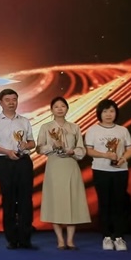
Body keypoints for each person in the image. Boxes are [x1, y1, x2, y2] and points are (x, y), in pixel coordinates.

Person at [0, 88, 37, 249]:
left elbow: (32, 142)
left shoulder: (24, 121)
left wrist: (26, 145)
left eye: (14, 99)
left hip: (23, 163)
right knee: (8, 200)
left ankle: (26, 238)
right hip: (5, 163)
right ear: (0, 102)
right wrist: (7, 151)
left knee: (25, 201)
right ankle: (12, 239)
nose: (11, 103)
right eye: (7, 100)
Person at [37, 97, 88, 250]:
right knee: (56, 202)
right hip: (54, 166)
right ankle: (60, 239)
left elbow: (82, 149)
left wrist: (72, 151)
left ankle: (70, 240)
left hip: (70, 165)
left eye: (63, 106)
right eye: (56, 106)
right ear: (51, 109)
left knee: (72, 201)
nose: (60, 109)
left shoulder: (74, 127)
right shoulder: (45, 127)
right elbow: (39, 148)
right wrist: (52, 146)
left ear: (67, 108)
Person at [84, 99, 131, 251]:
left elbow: (130, 150)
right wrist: (105, 155)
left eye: (111, 111)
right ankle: (106, 236)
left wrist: (123, 158)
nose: (108, 114)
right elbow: (89, 150)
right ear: (100, 113)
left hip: (120, 171)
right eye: (105, 111)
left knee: (119, 203)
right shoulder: (93, 130)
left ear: (116, 113)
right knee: (104, 203)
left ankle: (118, 237)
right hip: (101, 171)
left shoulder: (122, 130)